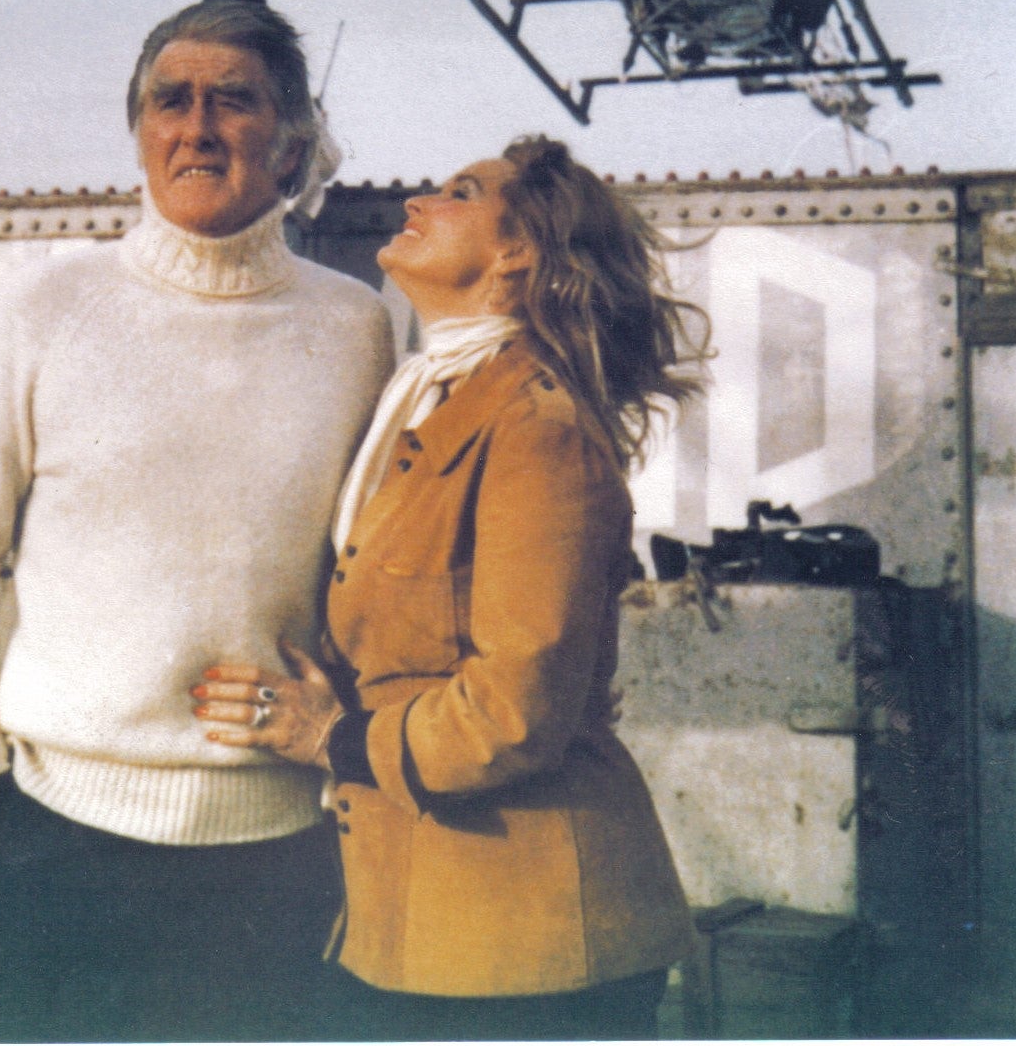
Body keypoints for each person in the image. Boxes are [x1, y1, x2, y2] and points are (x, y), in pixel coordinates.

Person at [0, 0, 395, 1043]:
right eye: (170, 99)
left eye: (235, 99)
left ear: (292, 142)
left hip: (273, 855)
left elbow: (367, 564)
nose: (199, 126)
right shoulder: (48, 305)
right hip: (49, 842)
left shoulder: (354, 327)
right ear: (138, 132)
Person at [194, 136, 707, 1042]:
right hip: (418, 919)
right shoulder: (427, 396)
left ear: (520, 252)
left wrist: (329, 738)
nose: (419, 203)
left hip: (530, 942)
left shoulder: (535, 425)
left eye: (460, 193)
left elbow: (511, 711)